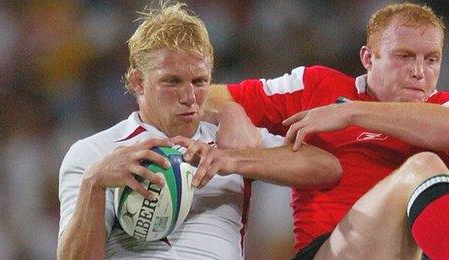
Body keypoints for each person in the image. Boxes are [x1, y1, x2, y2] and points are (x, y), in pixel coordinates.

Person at [206, 2, 449, 260]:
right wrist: (229, 109)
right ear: (368, 58)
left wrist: (351, 112)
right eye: (404, 56)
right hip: (331, 251)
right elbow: (203, 95)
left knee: (424, 167)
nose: (419, 71)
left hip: (407, 254)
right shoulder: (317, 86)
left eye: (432, 59)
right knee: (424, 166)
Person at [56, 3, 341, 260]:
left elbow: (327, 167)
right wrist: (94, 184)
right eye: (172, 82)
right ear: (138, 81)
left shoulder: (229, 141)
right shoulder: (94, 153)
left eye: (200, 81)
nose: (189, 96)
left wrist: (233, 161)